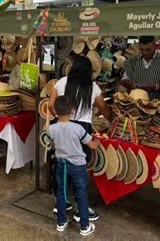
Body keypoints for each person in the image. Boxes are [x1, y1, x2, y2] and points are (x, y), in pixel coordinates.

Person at [49, 55, 111, 220]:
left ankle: (61, 203)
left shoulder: (62, 82)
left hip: (62, 124)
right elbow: (103, 108)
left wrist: (58, 118)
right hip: (82, 129)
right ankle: (80, 209)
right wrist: (113, 119)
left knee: (62, 164)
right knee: (79, 168)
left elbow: (50, 105)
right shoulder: (93, 87)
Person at [48, 95, 99, 236]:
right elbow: (92, 145)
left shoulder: (52, 129)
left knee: (61, 192)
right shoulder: (78, 128)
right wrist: (98, 141)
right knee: (81, 194)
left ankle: (61, 222)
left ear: (55, 112)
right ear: (72, 110)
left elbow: (51, 143)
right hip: (77, 167)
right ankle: (84, 226)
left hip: (61, 165)